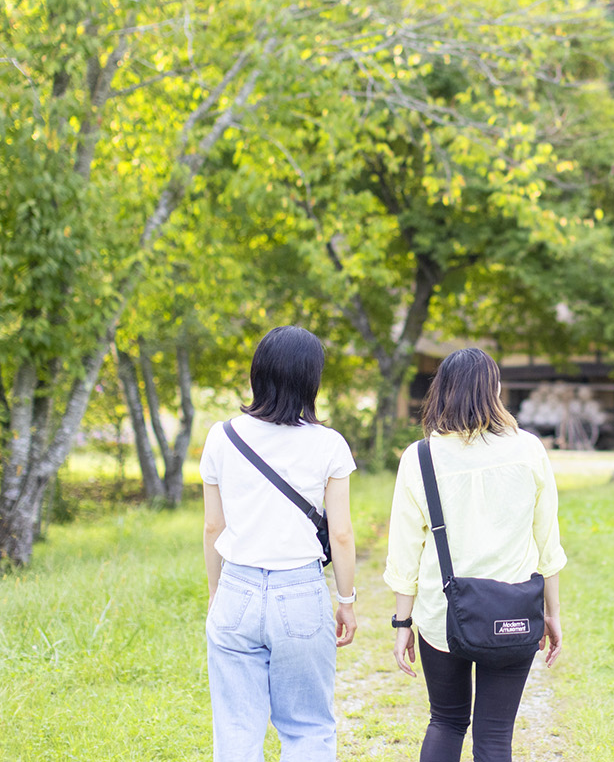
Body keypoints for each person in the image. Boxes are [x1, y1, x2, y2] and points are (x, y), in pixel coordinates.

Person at [384, 347, 567, 762]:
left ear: (442, 391)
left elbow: (404, 551)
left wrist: (403, 622)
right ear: (494, 390)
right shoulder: (529, 449)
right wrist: (552, 613)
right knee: (495, 736)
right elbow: (547, 542)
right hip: (513, 612)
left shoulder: (420, 457)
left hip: (442, 614)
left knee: (446, 721)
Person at [201, 325, 359, 761]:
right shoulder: (329, 444)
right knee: (307, 727)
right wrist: (346, 600)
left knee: (236, 729)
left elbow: (213, 527)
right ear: (311, 380)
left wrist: (216, 593)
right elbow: (341, 534)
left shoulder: (222, 436)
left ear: (259, 373)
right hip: (301, 592)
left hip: (237, 589)